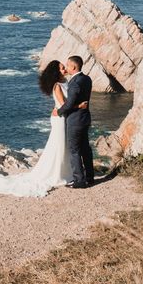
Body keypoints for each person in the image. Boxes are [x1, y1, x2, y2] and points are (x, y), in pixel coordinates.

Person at [0, 60, 87, 197]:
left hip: (64, 117)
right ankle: (58, 173)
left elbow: (66, 102)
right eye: (62, 68)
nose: (64, 69)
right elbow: (64, 105)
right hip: (60, 119)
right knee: (59, 145)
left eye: (64, 67)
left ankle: (68, 172)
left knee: (65, 145)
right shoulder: (57, 85)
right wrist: (79, 106)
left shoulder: (66, 81)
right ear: (56, 72)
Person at [53, 55, 94, 188]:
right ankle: (90, 177)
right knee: (85, 149)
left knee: (74, 150)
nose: (66, 68)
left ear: (74, 67)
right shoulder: (87, 79)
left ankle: (79, 180)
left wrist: (58, 112)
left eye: (68, 65)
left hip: (75, 120)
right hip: (85, 118)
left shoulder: (75, 82)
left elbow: (69, 104)